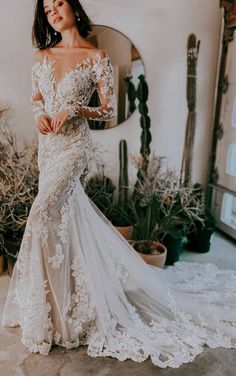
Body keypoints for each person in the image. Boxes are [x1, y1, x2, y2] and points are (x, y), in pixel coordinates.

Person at [2, 0, 236, 369]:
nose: (52, 11)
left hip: (74, 147)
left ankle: (58, 315)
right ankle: (54, 307)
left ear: (74, 9)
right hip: (48, 147)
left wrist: (74, 110)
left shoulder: (97, 57)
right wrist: (42, 116)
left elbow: (108, 109)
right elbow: (35, 99)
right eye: (46, 9)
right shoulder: (41, 56)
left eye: (58, 3)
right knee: (58, 224)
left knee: (43, 213)